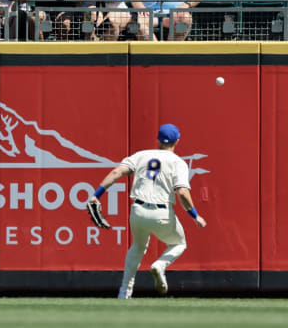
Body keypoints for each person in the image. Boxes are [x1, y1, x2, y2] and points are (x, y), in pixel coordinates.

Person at [87, 123, 207, 300]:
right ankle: (160, 265)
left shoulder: (141, 155)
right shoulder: (178, 162)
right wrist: (195, 215)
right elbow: (181, 192)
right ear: (177, 141)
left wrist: (96, 195)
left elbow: (116, 172)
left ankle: (124, 292)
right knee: (179, 243)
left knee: (137, 247)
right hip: (162, 213)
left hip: (138, 211)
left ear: (157, 139)